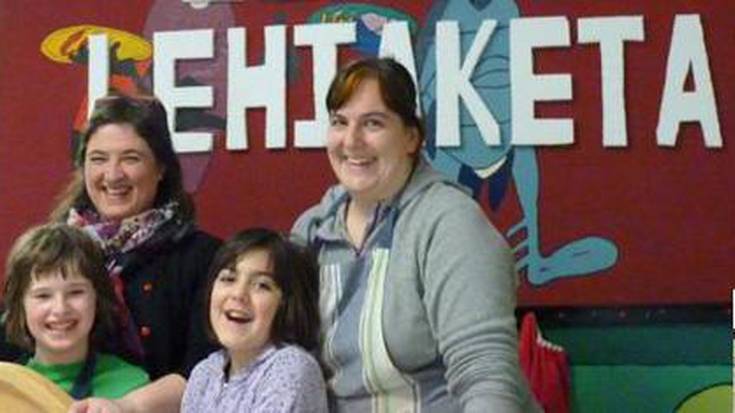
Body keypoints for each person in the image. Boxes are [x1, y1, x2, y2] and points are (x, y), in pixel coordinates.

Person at [292, 57, 540, 412]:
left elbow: (486, 376)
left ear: (411, 137)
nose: (351, 140)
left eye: (373, 123)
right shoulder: (310, 231)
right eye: (339, 122)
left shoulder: (451, 224)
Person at [44, 94, 221, 412]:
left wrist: (124, 406)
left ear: (161, 167)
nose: (113, 175)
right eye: (98, 159)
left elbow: (208, 369)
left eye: (130, 158)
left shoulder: (203, 257)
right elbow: (13, 342)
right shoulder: (53, 250)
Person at [181, 228, 327, 413]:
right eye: (229, 279)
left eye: (261, 285)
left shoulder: (290, 368)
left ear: (287, 303)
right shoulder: (204, 373)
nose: (238, 294)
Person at [2, 223, 149, 398]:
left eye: (75, 292)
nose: (60, 309)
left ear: (97, 297)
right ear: (20, 305)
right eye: (43, 296)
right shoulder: (6, 387)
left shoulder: (133, 386)